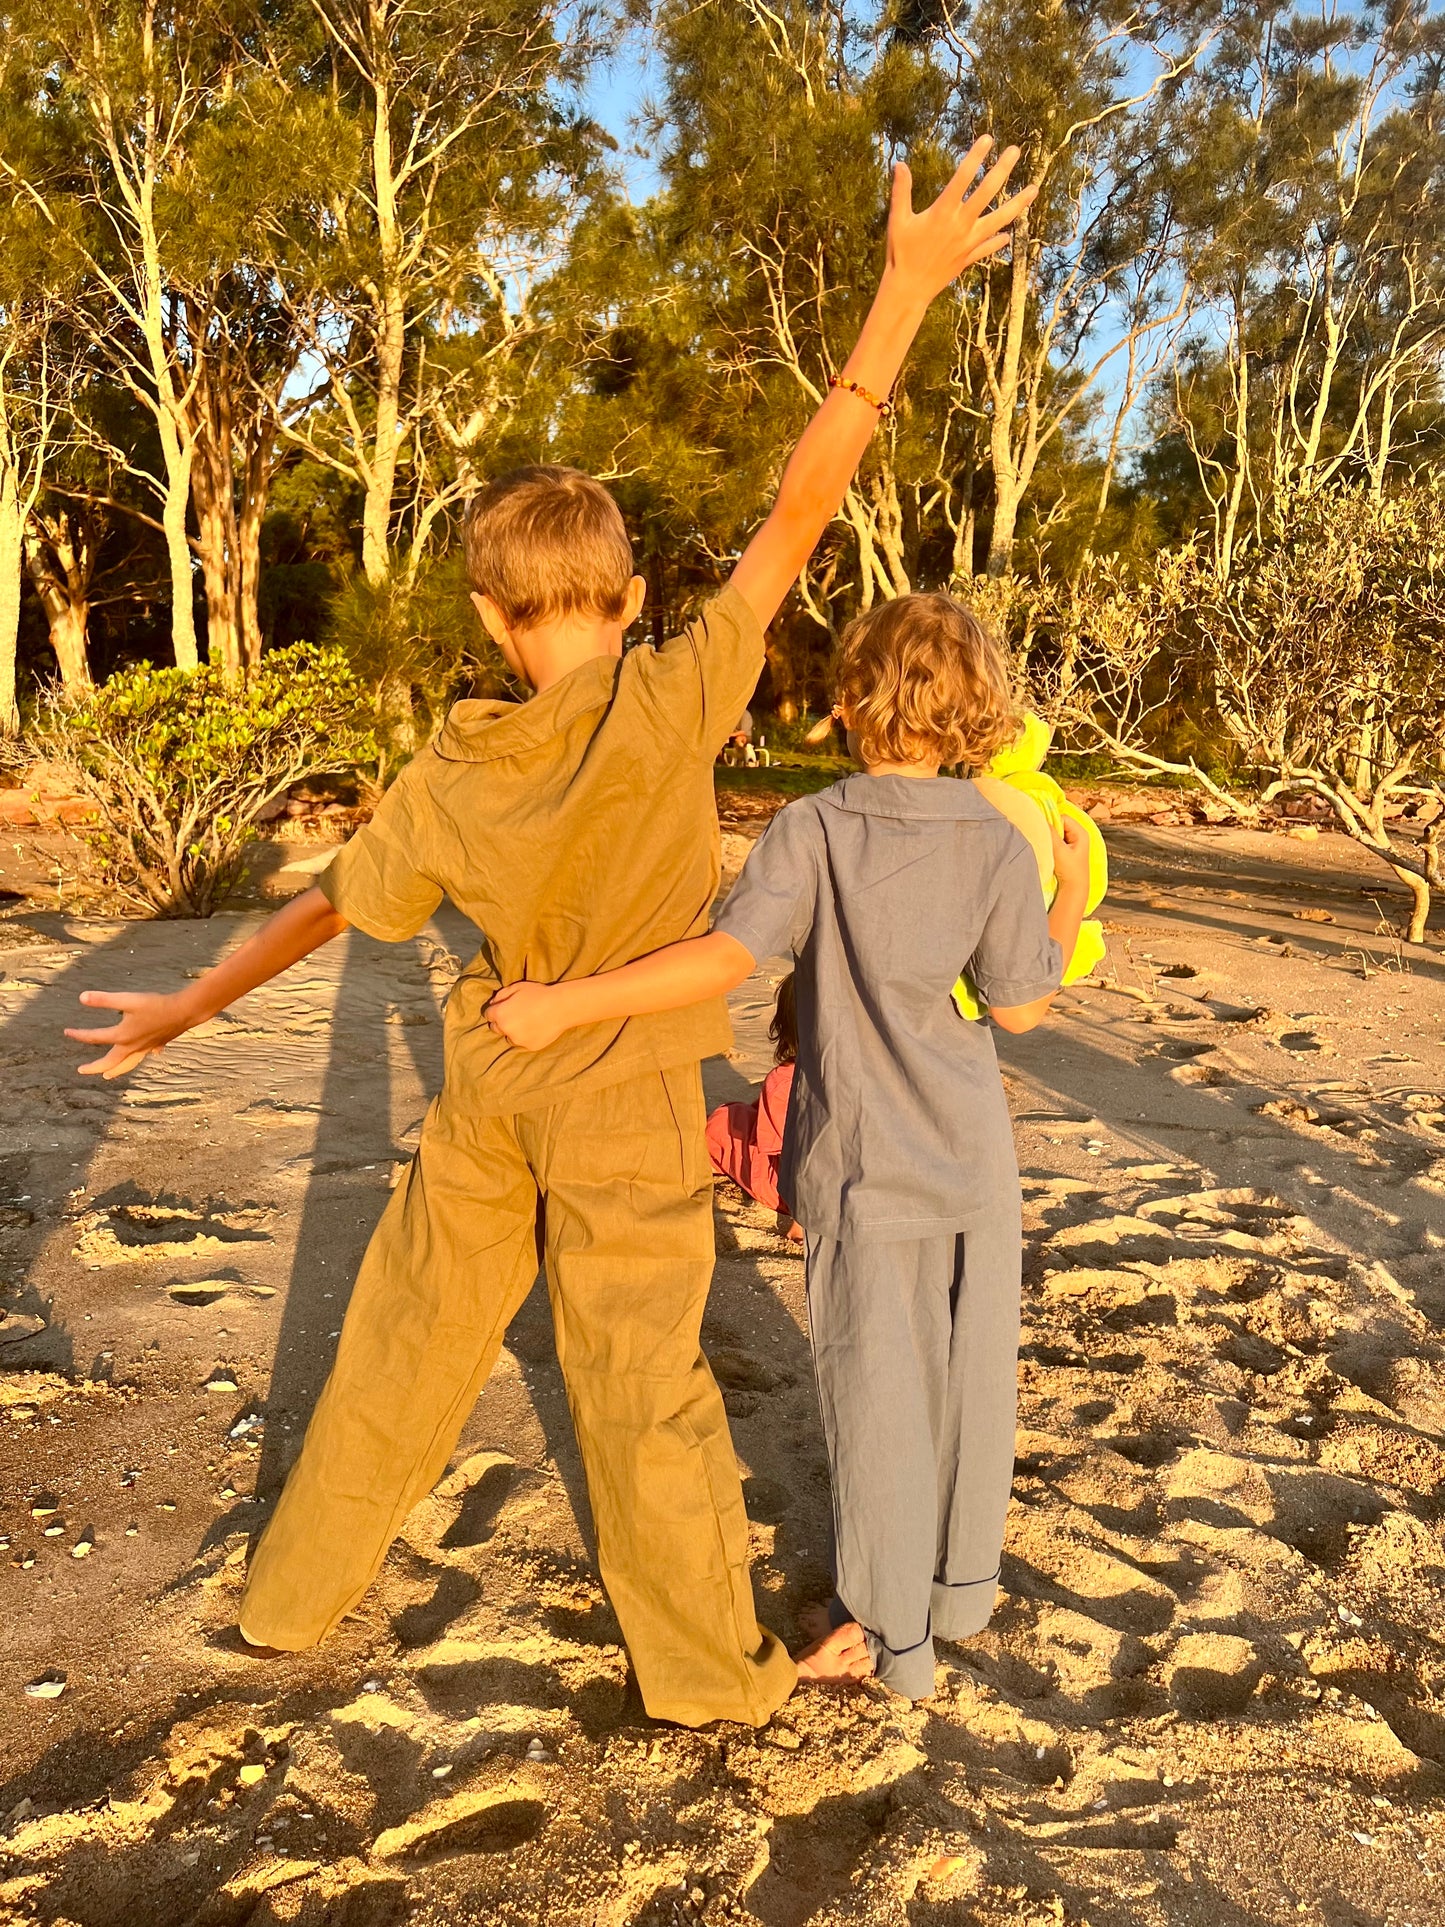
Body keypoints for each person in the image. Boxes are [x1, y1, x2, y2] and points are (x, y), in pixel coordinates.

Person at [63, 143, 1037, 1725]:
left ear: (488, 618)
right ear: (632, 588)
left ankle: (289, 1595)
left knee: (399, 1336)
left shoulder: (452, 759)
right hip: (628, 1089)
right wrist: (900, 295)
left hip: (486, 1082)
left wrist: (186, 1009)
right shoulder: (674, 695)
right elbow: (805, 503)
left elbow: (329, 902)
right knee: (642, 1384)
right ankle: (709, 1680)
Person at [486, 594, 1093, 1702]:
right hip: (971, 1155)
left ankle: (889, 1635)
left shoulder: (812, 830)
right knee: (968, 1380)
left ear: (853, 698)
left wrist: (565, 1004)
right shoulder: (1000, 839)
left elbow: (722, 962)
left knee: (876, 1388)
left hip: (862, 1161)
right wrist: (1073, 892)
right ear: (973, 708)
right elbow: (1018, 1010)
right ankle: (960, 1592)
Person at [706, 971, 801, 1235]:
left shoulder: (785, 1083)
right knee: (749, 1118)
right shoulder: (861, 1077)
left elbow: (796, 1158)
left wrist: (803, 1219)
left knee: (724, 1123)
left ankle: (705, 1160)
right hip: (852, 1183)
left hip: (789, 1192)